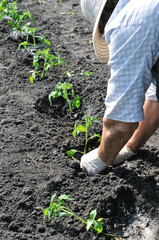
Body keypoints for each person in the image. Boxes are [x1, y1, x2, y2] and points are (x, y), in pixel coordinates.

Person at [80, 0, 159, 175]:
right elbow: (156, 98)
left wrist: (101, 159)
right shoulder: (149, 9)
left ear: (102, 21)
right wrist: (129, 148)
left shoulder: (128, 24)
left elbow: (120, 123)